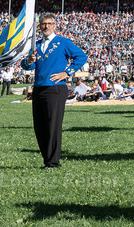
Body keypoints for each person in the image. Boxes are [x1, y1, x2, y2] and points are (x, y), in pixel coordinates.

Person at [20, 14, 87, 169]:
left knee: (53, 125)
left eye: (49, 24)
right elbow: (27, 66)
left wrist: (67, 72)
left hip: (55, 88)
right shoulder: (35, 45)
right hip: (38, 88)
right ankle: (47, 159)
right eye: (43, 24)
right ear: (39, 26)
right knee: (39, 126)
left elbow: (81, 56)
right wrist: (28, 61)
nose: (46, 27)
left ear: (54, 25)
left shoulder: (62, 42)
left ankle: (53, 162)